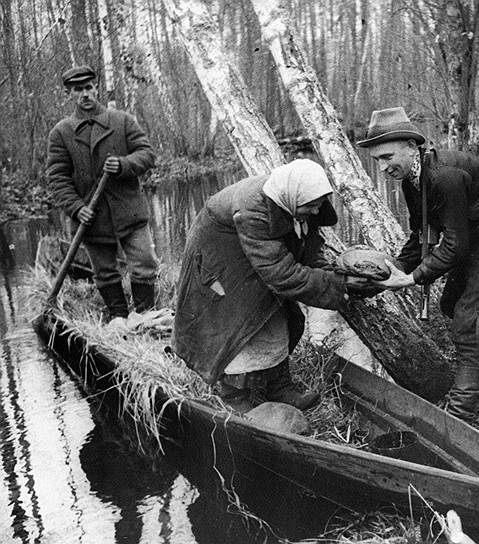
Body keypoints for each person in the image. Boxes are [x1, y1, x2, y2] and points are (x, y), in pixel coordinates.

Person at [358, 107, 479, 421]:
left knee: (469, 317)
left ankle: (461, 409)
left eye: (388, 157)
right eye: (378, 161)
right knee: (451, 303)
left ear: (411, 147)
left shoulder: (444, 176)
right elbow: (423, 233)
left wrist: (412, 278)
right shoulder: (412, 182)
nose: (384, 168)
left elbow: (455, 246)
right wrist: (395, 268)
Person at [172, 159, 357, 413]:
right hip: (220, 255)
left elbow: (310, 251)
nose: (315, 212)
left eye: (318, 206)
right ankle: (234, 394)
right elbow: (282, 276)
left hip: (255, 247)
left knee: (276, 310)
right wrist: (338, 285)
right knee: (238, 316)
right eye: (310, 207)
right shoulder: (253, 208)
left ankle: (280, 387)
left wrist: (337, 277)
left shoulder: (301, 200)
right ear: (294, 198)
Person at [47, 65, 159, 321]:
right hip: (92, 217)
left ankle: (146, 318)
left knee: (144, 264)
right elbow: (57, 179)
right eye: (77, 90)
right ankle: (118, 319)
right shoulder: (61, 133)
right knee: (105, 272)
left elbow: (147, 154)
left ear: (96, 88)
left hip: (129, 211)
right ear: (68, 94)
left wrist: (123, 165)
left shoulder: (122, 120)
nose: (85, 94)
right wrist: (76, 208)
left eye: (88, 88)